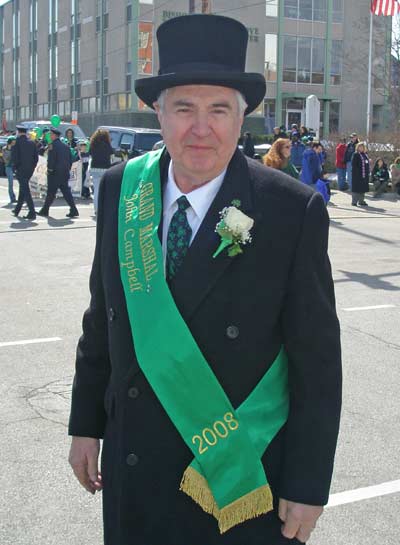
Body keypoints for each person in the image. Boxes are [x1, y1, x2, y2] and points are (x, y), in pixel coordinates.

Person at [68, 14, 342, 545]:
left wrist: (309, 484)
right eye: (184, 108)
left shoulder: (290, 209)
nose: (201, 128)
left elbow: (317, 361)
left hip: (236, 482)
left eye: (219, 109)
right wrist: (85, 422)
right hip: (135, 470)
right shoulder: (121, 191)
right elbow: (103, 317)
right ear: (158, 113)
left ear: (242, 119)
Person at [37, 128, 79, 218]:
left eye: (51, 134)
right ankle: (73, 209)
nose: (50, 136)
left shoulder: (52, 146)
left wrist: (50, 170)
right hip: (64, 172)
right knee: (66, 192)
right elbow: (70, 160)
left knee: (51, 192)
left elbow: (51, 160)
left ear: (54, 135)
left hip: (55, 173)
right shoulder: (66, 146)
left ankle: (45, 210)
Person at [11, 125, 39, 220]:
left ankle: (32, 211)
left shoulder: (16, 143)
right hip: (29, 170)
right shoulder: (32, 143)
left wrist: (15, 168)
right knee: (23, 188)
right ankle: (17, 209)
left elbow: (14, 158)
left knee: (25, 190)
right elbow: (36, 158)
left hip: (20, 170)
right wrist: (32, 167)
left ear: (18, 132)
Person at [88, 128, 114, 214]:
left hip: (95, 168)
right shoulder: (108, 146)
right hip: (105, 169)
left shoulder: (93, 145)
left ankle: (96, 209)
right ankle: (104, 208)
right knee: (105, 190)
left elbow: (90, 156)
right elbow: (112, 158)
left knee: (96, 190)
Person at [351, 142, 370, 207]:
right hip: (357, 175)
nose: (361, 148)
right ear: (357, 147)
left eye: (362, 147)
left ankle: (361, 201)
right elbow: (354, 165)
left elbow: (367, 164)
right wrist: (357, 173)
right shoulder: (356, 154)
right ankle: (354, 201)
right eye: (360, 147)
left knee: (363, 189)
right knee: (356, 189)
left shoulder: (365, 155)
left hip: (364, 175)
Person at [3, 136, 17, 203]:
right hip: (8, 167)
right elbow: (6, 159)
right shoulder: (4, 149)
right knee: (11, 183)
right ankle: (12, 198)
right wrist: (9, 149)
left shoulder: (16, 148)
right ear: (9, 143)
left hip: (15, 167)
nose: (14, 144)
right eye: (13, 142)